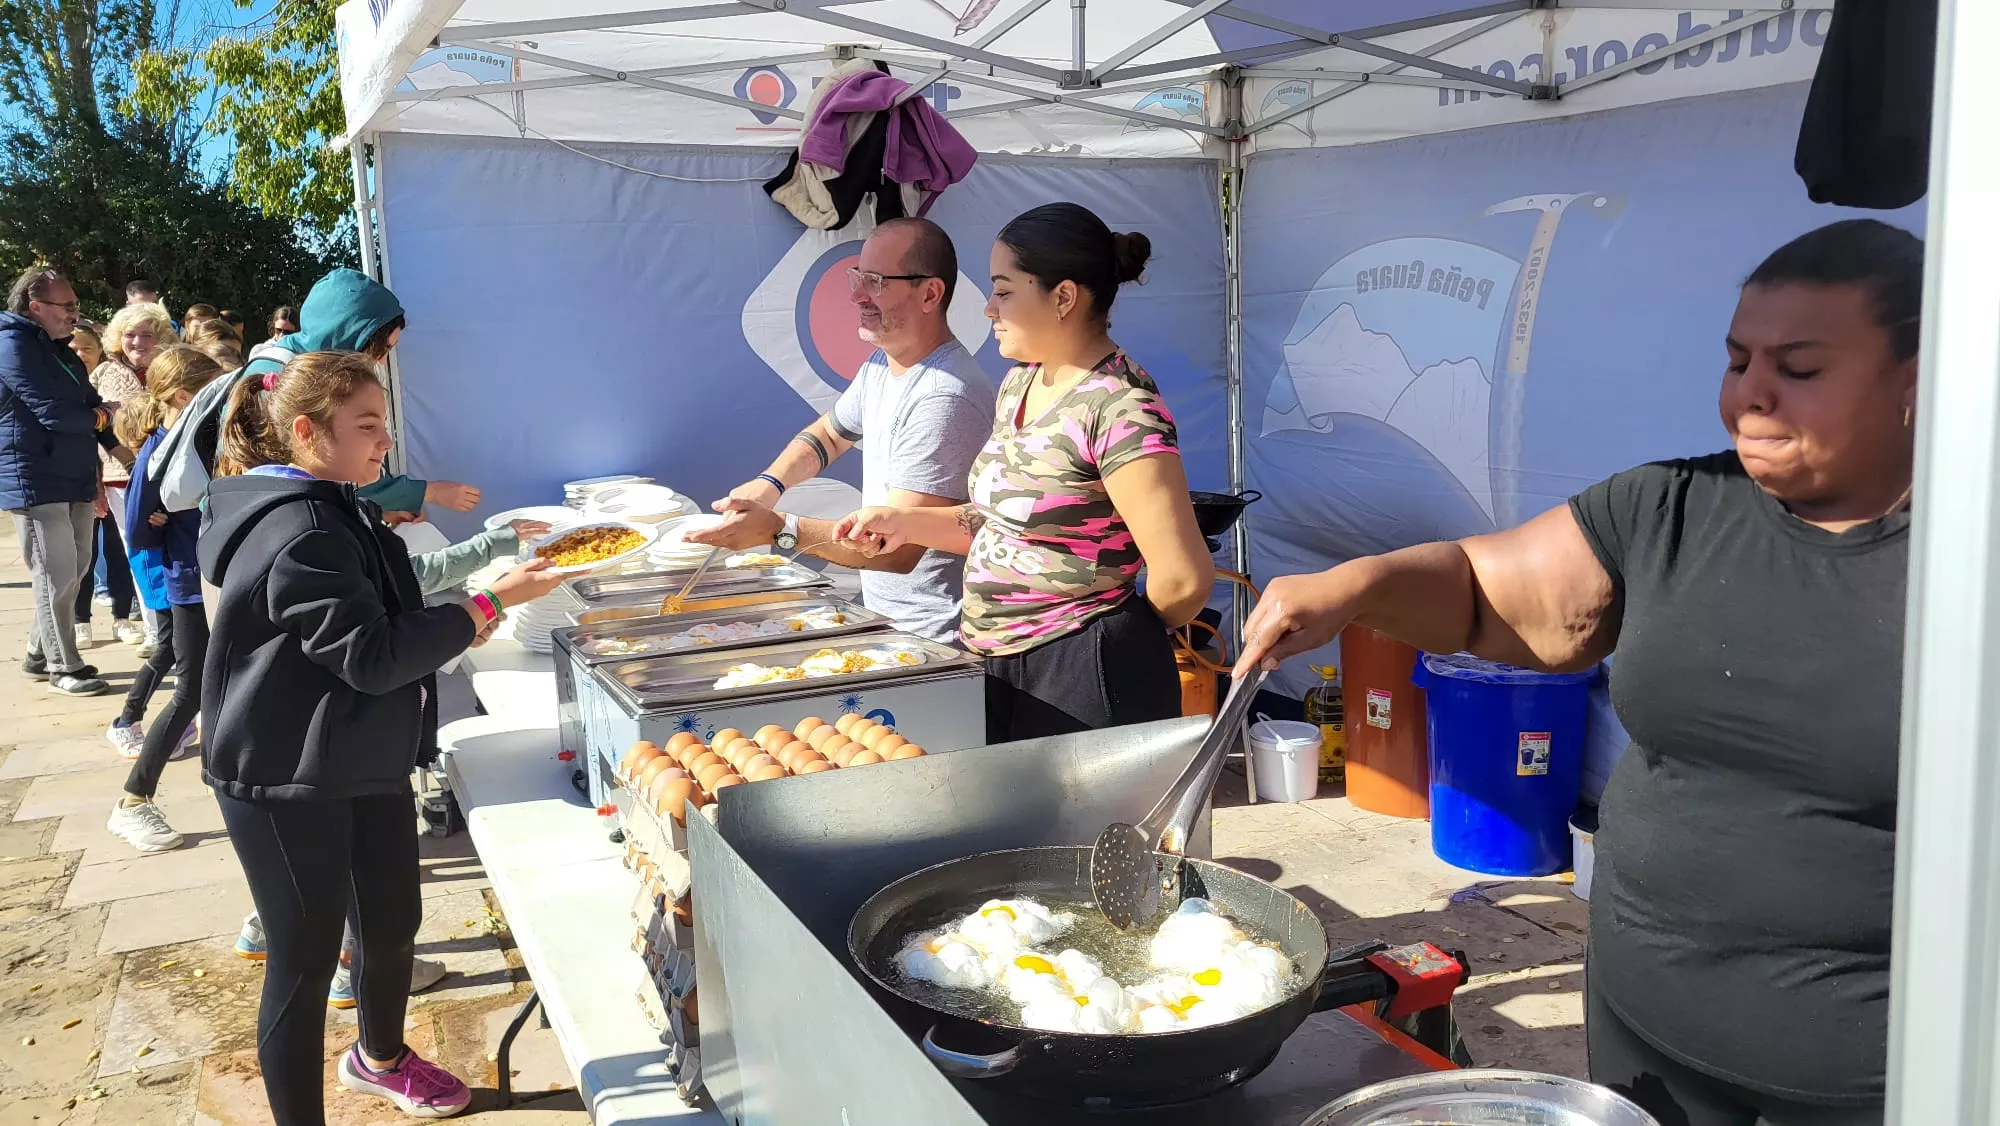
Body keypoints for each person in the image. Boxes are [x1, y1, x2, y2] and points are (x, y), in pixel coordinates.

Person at [1233, 219, 1918, 1125]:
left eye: (1798, 369)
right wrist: (1358, 586)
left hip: (1873, 1072)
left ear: (1920, 382)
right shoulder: (1675, 504)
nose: (1750, 397)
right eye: (1737, 360)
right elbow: (1487, 592)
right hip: (1649, 1028)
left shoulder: (1961, 564)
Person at [200, 351, 565, 1124]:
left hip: (360, 754)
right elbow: (372, 657)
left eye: (386, 427)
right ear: (305, 432)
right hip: (283, 776)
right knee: (302, 966)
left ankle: (381, 1057)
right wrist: (488, 607)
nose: (383, 445)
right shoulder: (298, 531)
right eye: (367, 427)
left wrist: (490, 580)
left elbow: (396, 601)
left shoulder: (341, 505)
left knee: (392, 923)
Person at [838, 203, 1213, 741]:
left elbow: (1184, 579)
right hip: (997, 664)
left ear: (1062, 297)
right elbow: (1005, 522)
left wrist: (1102, 638)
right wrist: (904, 524)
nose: (989, 309)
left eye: (1004, 291)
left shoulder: (1120, 409)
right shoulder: (1021, 384)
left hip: (1083, 677)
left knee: (1086, 829)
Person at [687, 218, 995, 643]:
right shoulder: (883, 364)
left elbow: (898, 550)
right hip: (896, 627)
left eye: (875, 281)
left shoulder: (944, 395)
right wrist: (769, 484)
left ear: (929, 293)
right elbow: (830, 435)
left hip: (935, 641)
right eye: (857, 277)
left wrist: (780, 527)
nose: (856, 295)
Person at [152, 269, 481, 519]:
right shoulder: (283, 381)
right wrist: (427, 492)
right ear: (349, 337)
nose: (380, 361)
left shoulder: (295, 363)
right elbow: (327, 463)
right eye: (380, 348)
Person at [104, 347, 222, 852]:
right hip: (190, 585)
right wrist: (164, 524)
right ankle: (133, 800)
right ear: (183, 395)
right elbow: (136, 527)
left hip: (210, 580)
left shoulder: (192, 442)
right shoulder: (160, 448)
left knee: (218, 686)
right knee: (191, 690)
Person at [0, 266, 120, 696]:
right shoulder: (11, 345)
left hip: (74, 474)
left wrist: (121, 447)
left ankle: (37, 649)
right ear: (36, 307)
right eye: (67, 306)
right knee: (56, 574)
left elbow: (89, 405)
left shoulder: (61, 350)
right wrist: (102, 415)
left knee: (77, 568)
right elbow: (55, 413)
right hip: (34, 476)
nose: (75, 314)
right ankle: (62, 665)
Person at [88, 303, 178, 648]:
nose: (137, 341)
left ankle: (180, 626)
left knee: (176, 548)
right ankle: (158, 632)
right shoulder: (102, 374)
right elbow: (91, 432)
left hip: (171, 473)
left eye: (146, 334)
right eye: (129, 334)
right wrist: (94, 481)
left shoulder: (172, 366)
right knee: (139, 549)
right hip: (120, 477)